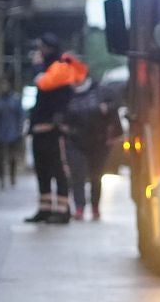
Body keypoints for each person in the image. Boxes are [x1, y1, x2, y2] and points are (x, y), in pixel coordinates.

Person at [26, 33, 80, 224]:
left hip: (54, 130)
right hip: (41, 129)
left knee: (58, 169)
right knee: (42, 170)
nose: (38, 52)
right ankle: (45, 209)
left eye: (41, 48)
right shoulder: (49, 68)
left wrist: (38, 67)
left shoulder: (61, 67)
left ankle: (63, 209)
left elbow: (44, 83)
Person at [62, 55, 121, 220]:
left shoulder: (101, 91)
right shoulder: (66, 94)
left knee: (96, 176)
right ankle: (79, 207)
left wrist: (107, 112)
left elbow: (114, 110)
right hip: (75, 140)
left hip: (98, 141)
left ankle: (95, 206)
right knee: (77, 175)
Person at [0, 76, 24, 187]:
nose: (4, 87)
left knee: (12, 157)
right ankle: (1, 178)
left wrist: (19, 130)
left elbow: (21, 115)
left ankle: (12, 177)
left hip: (13, 132)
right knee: (0, 158)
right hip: (0, 132)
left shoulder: (15, 100)